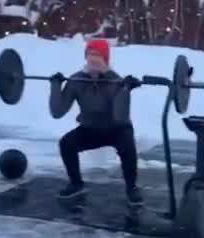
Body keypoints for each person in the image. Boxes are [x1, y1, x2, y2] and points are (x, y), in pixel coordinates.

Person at [49, 37, 144, 203]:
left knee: (128, 147)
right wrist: (55, 86)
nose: (93, 59)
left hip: (117, 128)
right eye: (90, 54)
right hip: (91, 128)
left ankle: (132, 188)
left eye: (98, 55)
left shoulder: (115, 80)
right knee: (66, 143)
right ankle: (76, 184)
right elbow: (57, 112)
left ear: (105, 59)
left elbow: (119, 116)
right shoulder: (76, 80)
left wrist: (126, 89)